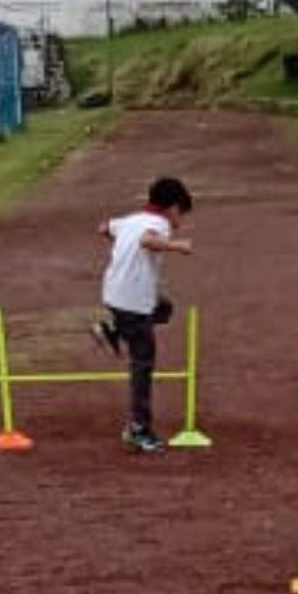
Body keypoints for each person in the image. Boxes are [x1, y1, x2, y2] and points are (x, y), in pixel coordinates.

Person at [93, 177, 195, 453]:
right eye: (181, 214)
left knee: (164, 307)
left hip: (114, 293)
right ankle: (139, 429)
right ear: (173, 208)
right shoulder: (158, 225)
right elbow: (148, 240)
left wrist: (118, 242)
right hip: (132, 301)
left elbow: (104, 227)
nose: (180, 221)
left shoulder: (132, 218)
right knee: (143, 362)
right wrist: (178, 246)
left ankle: (112, 329)